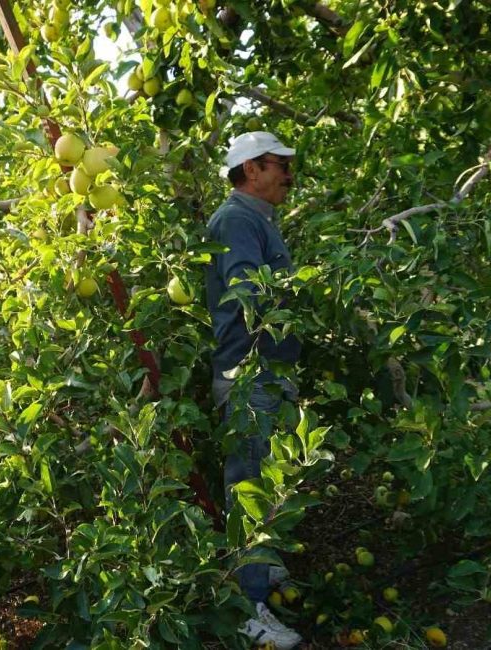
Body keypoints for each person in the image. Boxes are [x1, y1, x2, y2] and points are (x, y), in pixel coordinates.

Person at [207, 131, 303, 649]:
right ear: (250, 170)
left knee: (266, 476)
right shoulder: (237, 221)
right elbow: (248, 289)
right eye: (279, 165)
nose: (288, 175)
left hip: (265, 372)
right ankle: (247, 608)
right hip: (249, 375)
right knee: (248, 486)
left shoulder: (256, 220)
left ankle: (259, 572)